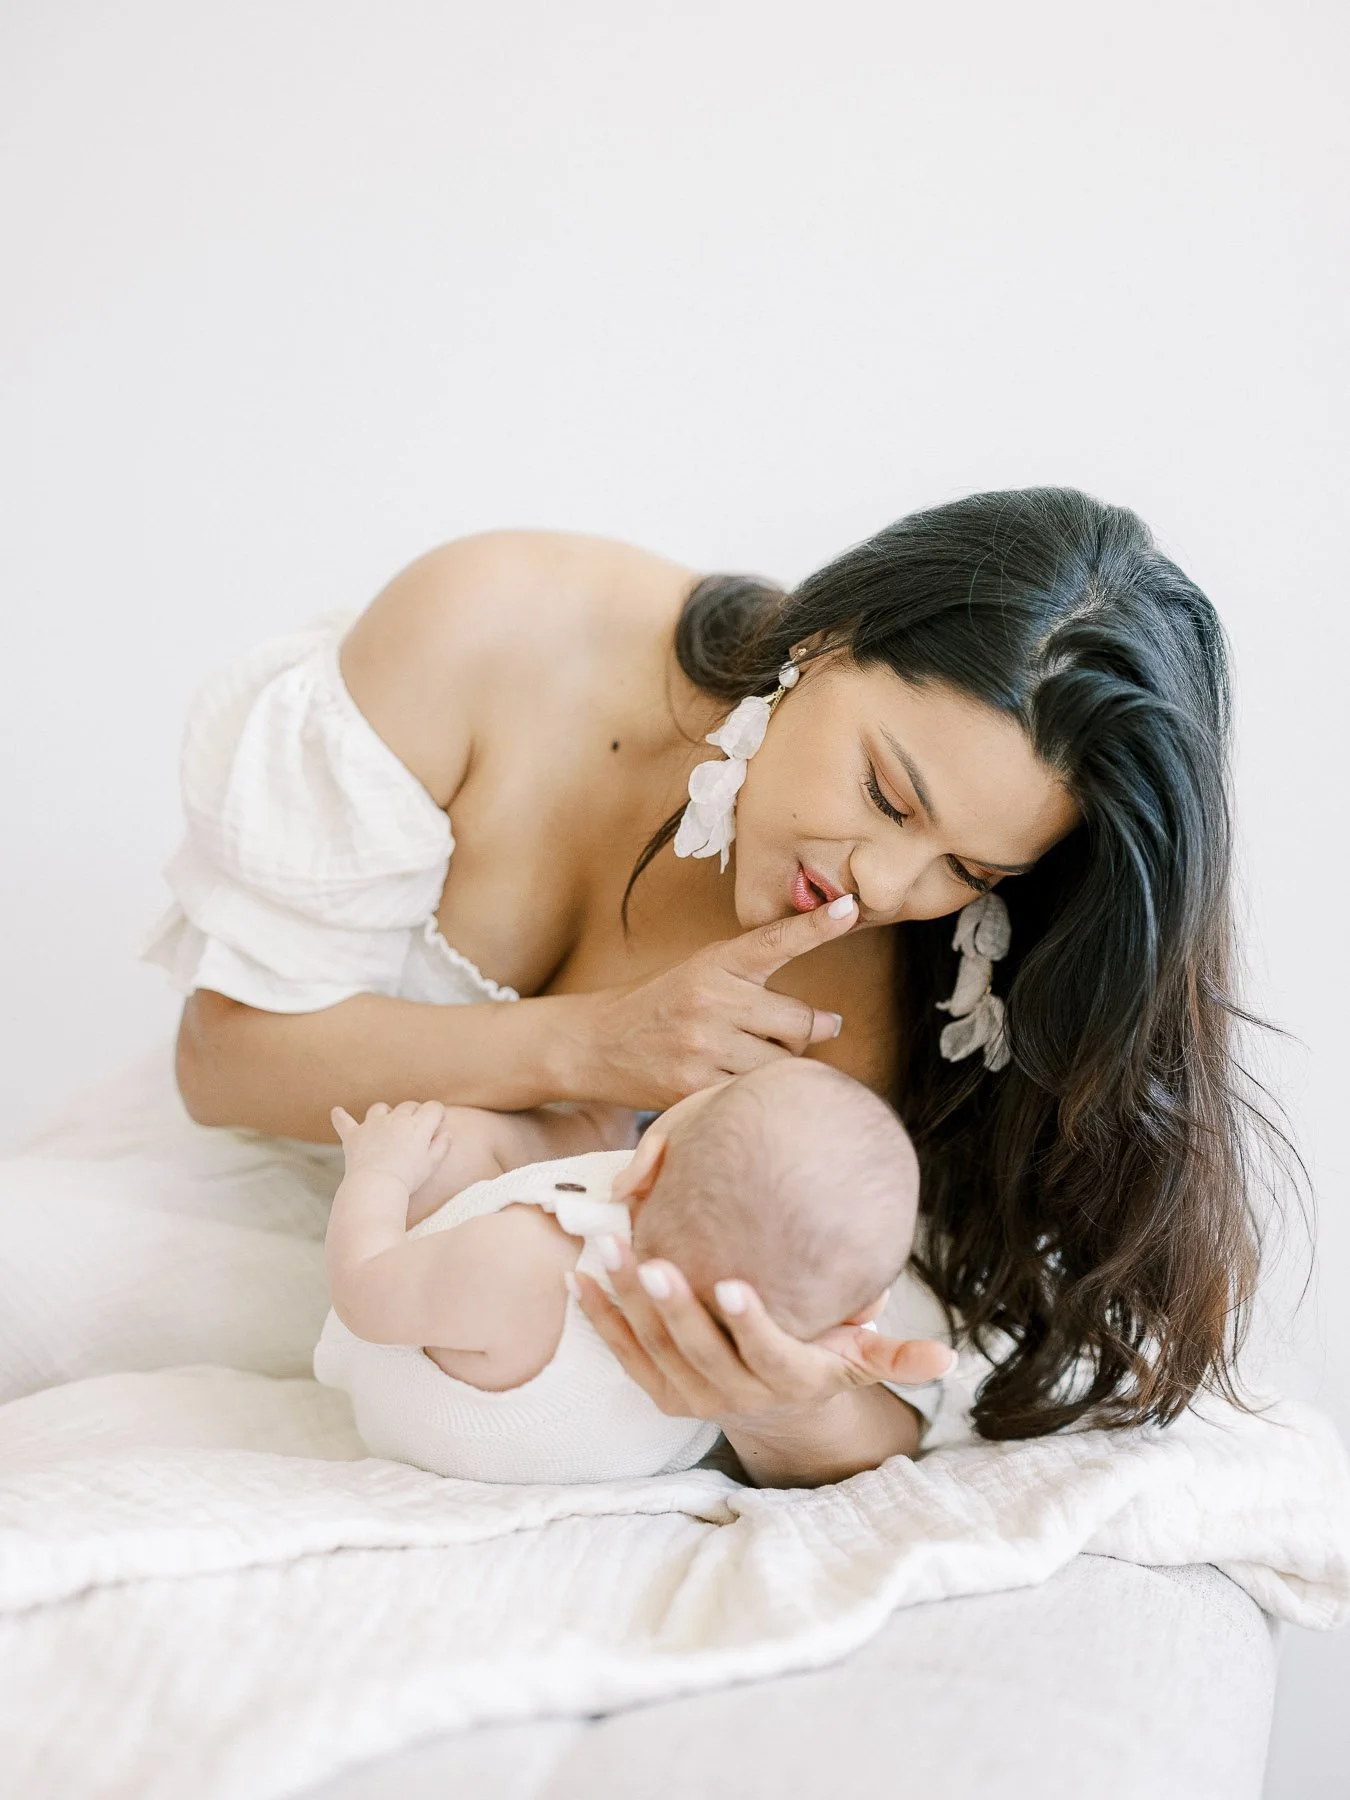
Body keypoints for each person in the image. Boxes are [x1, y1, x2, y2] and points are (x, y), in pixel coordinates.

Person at [148, 487, 1267, 1482]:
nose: (879, 885)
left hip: (490, 1352)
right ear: (826, 636)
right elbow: (221, 1061)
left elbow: (877, 1397)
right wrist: (590, 1045)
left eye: (968, 869)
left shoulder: (917, 978)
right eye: (885, 791)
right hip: (259, 1183)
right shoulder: (496, 629)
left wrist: (775, 1406)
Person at [314, 1061, 927, 1485]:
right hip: (590, 1447)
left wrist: (379, 1172)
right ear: (858, 1313)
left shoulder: (517, 1257)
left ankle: (579, 1134)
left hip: (412, 1395)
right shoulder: (747, 1354)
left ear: (649, 1163)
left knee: (446, 1140)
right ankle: (588, 1133)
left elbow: (362, 1293)